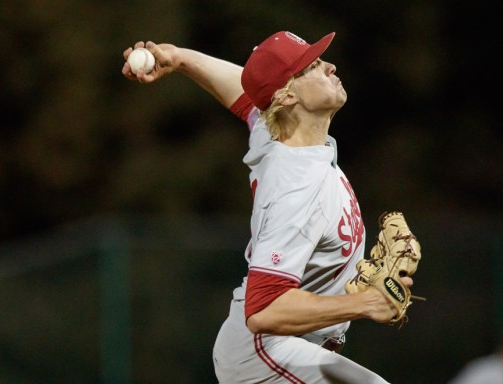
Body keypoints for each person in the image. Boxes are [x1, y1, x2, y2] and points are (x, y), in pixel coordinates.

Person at [122, 31, 412, 383]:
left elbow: (245, 95)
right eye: (314, 66)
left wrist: (181, 58)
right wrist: (365, 303)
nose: (331, 66)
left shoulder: (275, 132)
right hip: (262, 353)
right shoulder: (296, 187)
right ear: (288, 95)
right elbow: (263, 309)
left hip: (289, 349)